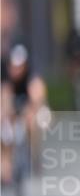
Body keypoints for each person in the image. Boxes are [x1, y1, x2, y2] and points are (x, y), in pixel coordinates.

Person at [1, 44, 49, 186]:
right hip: (10, 106)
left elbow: (38, 94)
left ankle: (35, 158)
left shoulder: (32, 74)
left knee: (32, 123)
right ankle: (6, 169)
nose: (17, 70)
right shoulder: (5, 74)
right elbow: (4, 95)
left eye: (20, 66)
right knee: (4, 134)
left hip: (28, 106)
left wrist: (37, 109)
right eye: (14, 66)